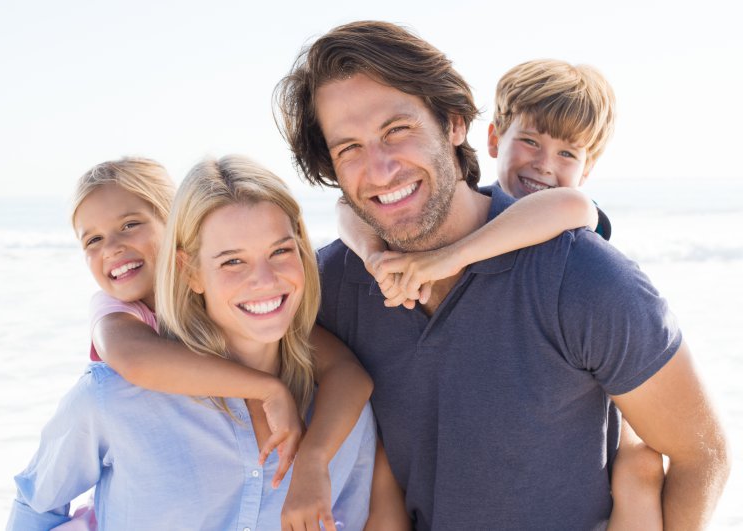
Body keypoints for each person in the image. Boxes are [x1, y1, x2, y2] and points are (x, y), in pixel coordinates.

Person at [275, 20, 730, 530]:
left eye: (396, 130)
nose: (379, 170)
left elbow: (699, 453)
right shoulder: (330, 284)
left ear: (452, 123)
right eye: (349, 148)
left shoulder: (580, 276)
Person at [336, 58, 665, 528]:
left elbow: (569, 204)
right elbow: (345, 208)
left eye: (568, 154)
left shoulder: (569, 220)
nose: (544, 165)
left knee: (641, 471)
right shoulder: (467, 204)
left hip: (595, 416)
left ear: (587, 167)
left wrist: (449, 259)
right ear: (493, 139)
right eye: (529, 141)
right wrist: (374, 256)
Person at [7, 156, 377, 530]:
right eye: (232, 261)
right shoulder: (114, 379)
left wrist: (312, 457)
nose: (264, 280)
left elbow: (345, 370)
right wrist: (269, 390)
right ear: (188, 269)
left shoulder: (338, 412)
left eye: (280, 251)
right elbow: (35, 505)